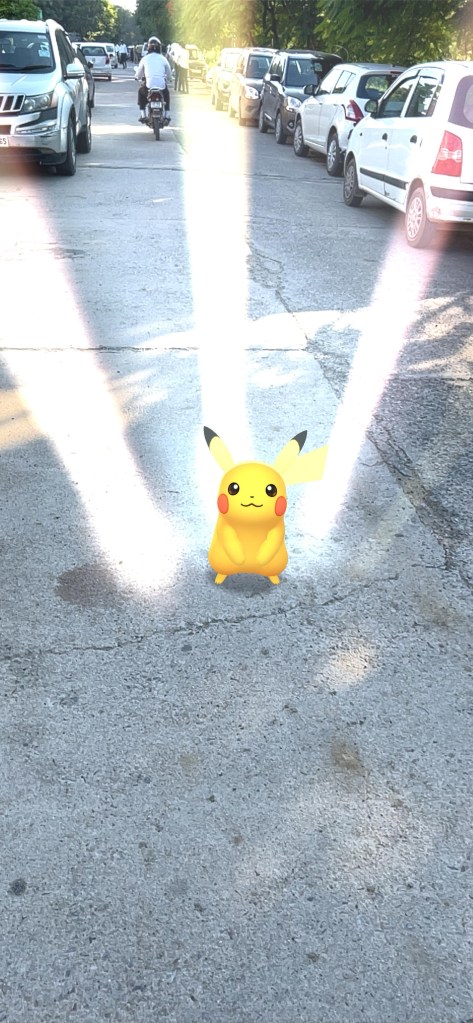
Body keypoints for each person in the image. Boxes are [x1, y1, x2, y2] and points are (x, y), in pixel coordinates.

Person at [135, 37, 173, 124]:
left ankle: (143, 115)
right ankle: (167, 115)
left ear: (148, 47)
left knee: (141, 92)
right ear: (159, 47)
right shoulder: (163, 59)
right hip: (161, 86)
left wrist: (137, 77)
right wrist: (170, 79)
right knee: (166, 94)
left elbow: (138, 74)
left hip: (149, 86)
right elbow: (169, 73)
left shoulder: (145, 59)